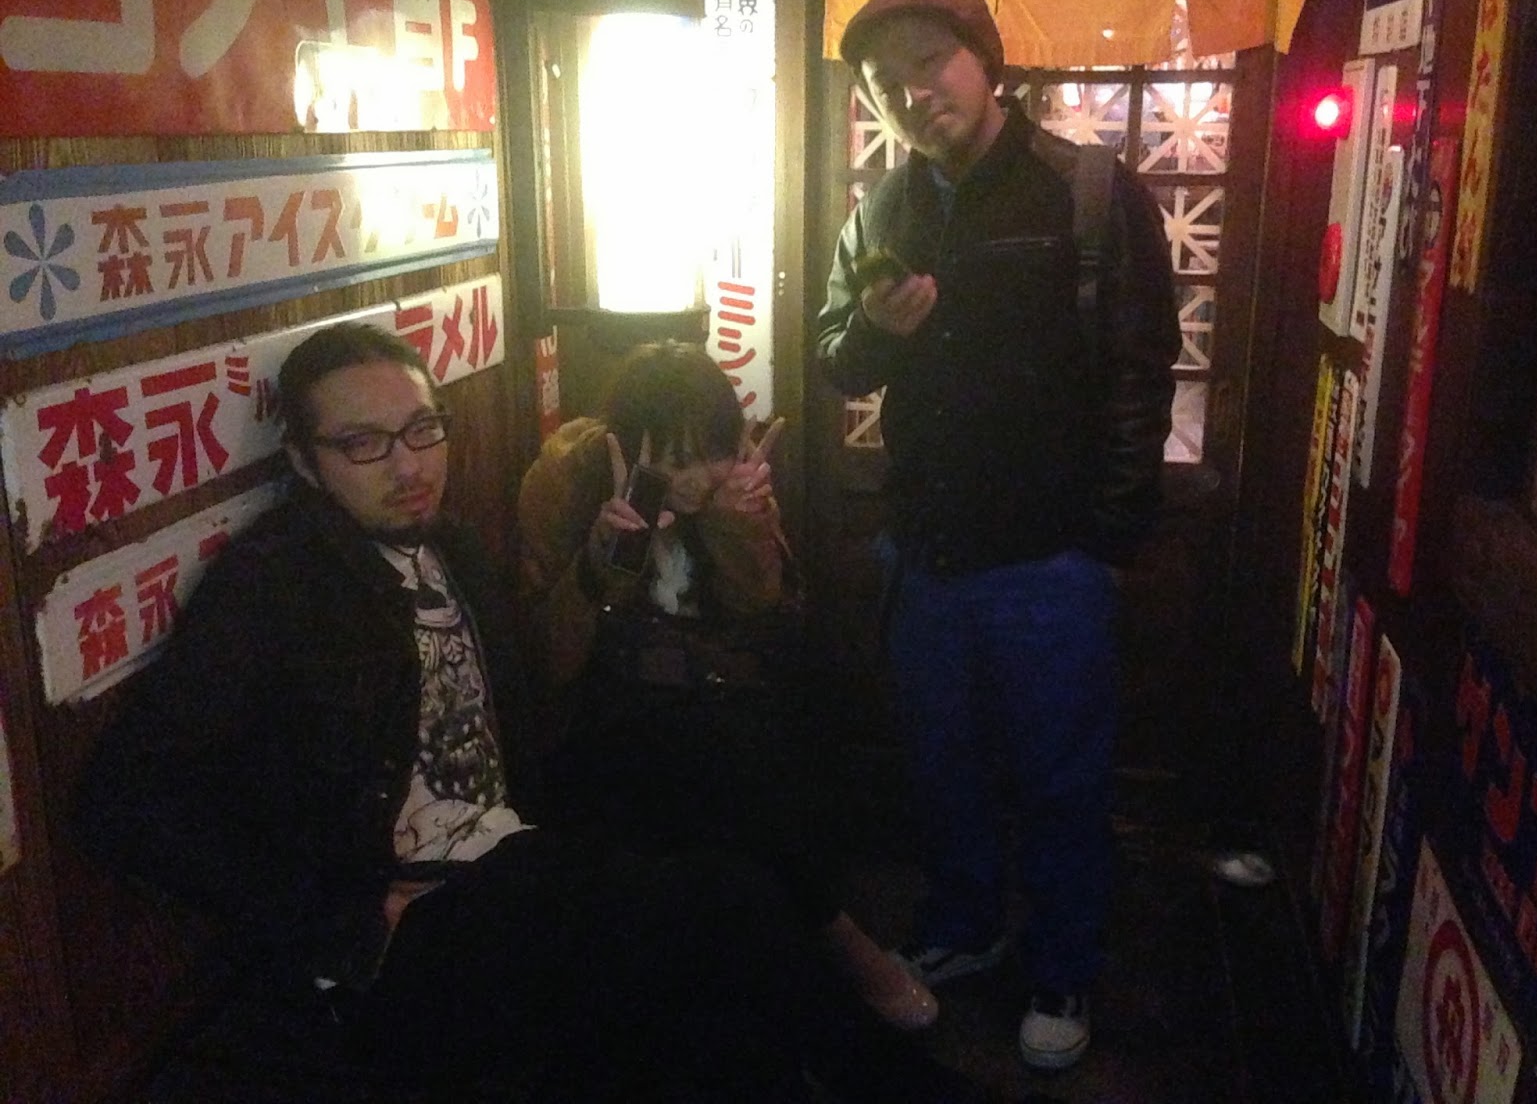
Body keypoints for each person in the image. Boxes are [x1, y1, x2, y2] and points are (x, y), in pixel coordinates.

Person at [74, 322, 982, 1102]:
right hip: (417, 928)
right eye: (363, 445)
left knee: (718, 857)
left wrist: (630, 570)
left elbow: (538, 694)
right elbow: (122, 797)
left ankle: (869, 1068)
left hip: (516, 850)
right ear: (305, 463)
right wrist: (333, 916)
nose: (408, 465)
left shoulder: (451, 547)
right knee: (717, 916)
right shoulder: (273, 585)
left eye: (422, 430)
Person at [816, 0, 1181, 1072]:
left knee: (1064, 779)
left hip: (1051, 558)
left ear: (986, 63)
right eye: (884, 82)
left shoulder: (1084, 192)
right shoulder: (881, 210)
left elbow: (1140, 371)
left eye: (930, 62)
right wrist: (875, 334)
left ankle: (1063, 963)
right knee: (943, 766)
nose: (910, 93)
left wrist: (1107, 541)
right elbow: (838, 363)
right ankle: (966, 923)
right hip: (924, 551)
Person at [516, 338, 937, 1033]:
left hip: (727, 702)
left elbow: (766, 614)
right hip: (608, 712)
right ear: (629, 442)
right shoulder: (569, 479)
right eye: (671, 458)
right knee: (718, 764)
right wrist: (600, 564)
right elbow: (548, 665)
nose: (694, 477)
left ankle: (797, 978)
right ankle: (843, 944)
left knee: (745, 754)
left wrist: (739, 529)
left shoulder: (735, 485)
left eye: (710, 452)